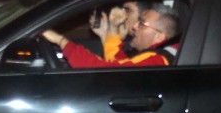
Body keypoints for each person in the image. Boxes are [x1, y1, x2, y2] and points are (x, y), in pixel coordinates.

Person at [43, 6, 180, 68]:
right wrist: (107, 33)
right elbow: (119, 65)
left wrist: (60, 40)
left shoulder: (156, 60)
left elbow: (103, 69)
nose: (134, 27)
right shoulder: (158, 57)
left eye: (142, 24)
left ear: (158, 37)